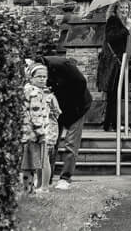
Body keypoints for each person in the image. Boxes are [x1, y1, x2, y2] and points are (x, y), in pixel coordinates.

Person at [39, 54, 92, 190]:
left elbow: (81, 82)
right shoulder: (38, 73)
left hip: (76, 108)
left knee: (71, 143)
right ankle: (47, 178)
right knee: (51, 142)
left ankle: (65, 178)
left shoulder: (62, 65)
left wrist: (66, 102)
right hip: (55, 110)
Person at [97, 0, 131, 132]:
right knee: (114, 95)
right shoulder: (113, 20)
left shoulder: (123, 22)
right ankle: (111, 124)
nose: (124, 10)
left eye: (127, 8)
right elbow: (111, 37)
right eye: (121, 8)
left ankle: (114, 123)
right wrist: (127, 28)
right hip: (114, 63)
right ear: (115, 9)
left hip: (123, 62)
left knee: (118, 95)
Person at [21, 62, 51, 194]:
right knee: (32, 163)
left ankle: (28, 189)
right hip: (33, 135)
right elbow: (36, 115)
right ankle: (29, 190)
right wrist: (41, 134)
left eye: (44, 77)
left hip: (26, 133)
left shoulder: (27, 90)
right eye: (39, 76)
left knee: (28, 164)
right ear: (31, 77)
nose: (42, 79)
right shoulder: (35, 93)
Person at [41, 80, 62, 188]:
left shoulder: (51, 97)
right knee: (40, 157)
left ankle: (45, 185)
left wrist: (50, 112)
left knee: (46, 157)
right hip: (39, 129)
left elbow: (58, 111)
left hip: (49, 129)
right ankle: (40, 182)